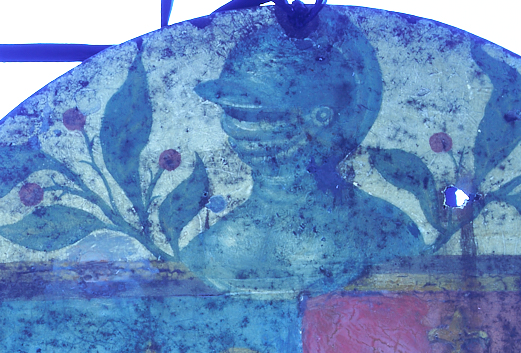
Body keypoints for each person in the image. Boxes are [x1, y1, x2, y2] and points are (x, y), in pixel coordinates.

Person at [182, 10, 425, 293]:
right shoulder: (206, 248)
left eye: (259, 114)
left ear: (321, 118)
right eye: (231, 112)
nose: (238, 128)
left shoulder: (385, 231)